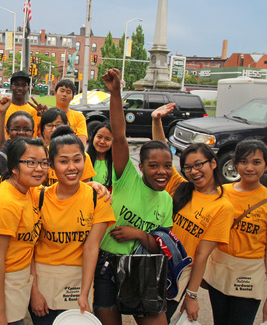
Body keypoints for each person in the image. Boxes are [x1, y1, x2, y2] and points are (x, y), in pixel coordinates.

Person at [94, 69, 173, 325]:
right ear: (141, 167)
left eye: (167, 165)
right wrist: (115, 93)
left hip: (144, 270)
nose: (162, 172)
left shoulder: (167, 200)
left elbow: (163, 246)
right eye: (154, 166)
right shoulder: (127, 178)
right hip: (106, 265)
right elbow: (118, 135)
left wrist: (138, 234)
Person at [151, 103, 235, 323]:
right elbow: (162, 150)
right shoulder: (181, 188)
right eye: (188, 167)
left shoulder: (222, 206)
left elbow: (201, 255)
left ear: (214, 163)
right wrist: (156, 120)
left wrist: (192, 295)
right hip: (155, 264)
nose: (194, 172)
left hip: (179, 274)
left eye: (199, 165)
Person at [30, 126, 116, 325]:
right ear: (51, 165)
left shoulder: (98, 199)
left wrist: (85, 294)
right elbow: (30, 249)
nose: (71, 167)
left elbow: (91, 247)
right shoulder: (38, 197)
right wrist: (34, 292)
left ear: (85, 162)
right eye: (63, 161)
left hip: (77, 280)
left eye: (77, 160)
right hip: (43, 279)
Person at [0, 137, 49, 325]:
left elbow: (54, 191)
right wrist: (0, 312)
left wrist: (89, 187)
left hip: (16, 287)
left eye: (43, 163)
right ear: (14, 166)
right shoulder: (5, 204)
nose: (39, 168)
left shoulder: (28, 190)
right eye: (31, 162)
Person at [202, 140, 267, 325]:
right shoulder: (221, 192)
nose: (249, 167)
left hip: (249, 274)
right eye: (244, 162)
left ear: (265, 166)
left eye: (256, 162)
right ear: (235, 164)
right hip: (220, 269)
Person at [0, 71, 43, 148]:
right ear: (10, 87)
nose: (20, 88)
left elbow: (40, 136)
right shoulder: (2, 109)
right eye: (16, 85)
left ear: (28, 88)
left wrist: (44, 116)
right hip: (7, 149)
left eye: (23, 85)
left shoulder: (33, 111)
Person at [0, 106, 35, 176]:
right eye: (16, 129)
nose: (21, 132)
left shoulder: (37, 156)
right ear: (8, 132)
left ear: (33, 133)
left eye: (26, 129)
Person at [53, 79, 87, 146]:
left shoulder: (79, 117)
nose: (64, 94)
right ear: (55, 93)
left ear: (72, 97)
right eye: (62, 91)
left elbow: (82, 143)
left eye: (68, 92)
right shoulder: (48, 114)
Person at [87, 122, 114, 190]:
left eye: (107, 139)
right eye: (99, 137)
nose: (102, 142)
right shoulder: (83, 159)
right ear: (93, 137)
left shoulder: (117, 163)